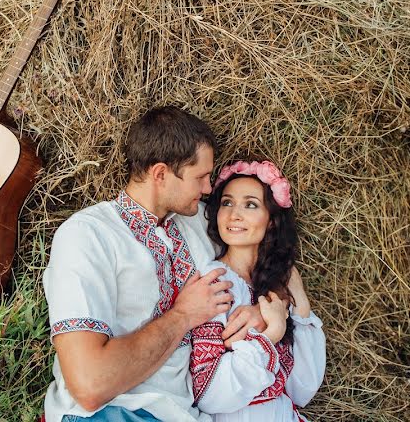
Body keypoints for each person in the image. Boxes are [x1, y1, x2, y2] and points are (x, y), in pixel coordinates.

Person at [43, 107, 265, 422]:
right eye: (200, 177)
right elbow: (89, 384)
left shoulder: (199, 223)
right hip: (111, 413)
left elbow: (270, 247)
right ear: (160, 174)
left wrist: (272, 305)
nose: (208, 189)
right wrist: (184, 315)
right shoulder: (88, 235)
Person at [190, 160, 327, 421]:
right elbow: (208, 394)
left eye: (250, 204)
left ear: (272, 221)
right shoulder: (215, 281)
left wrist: (299, 302)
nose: (234, 214)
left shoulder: (275, 286)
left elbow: (303, 390)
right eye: (227, 203)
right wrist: (272, 333)